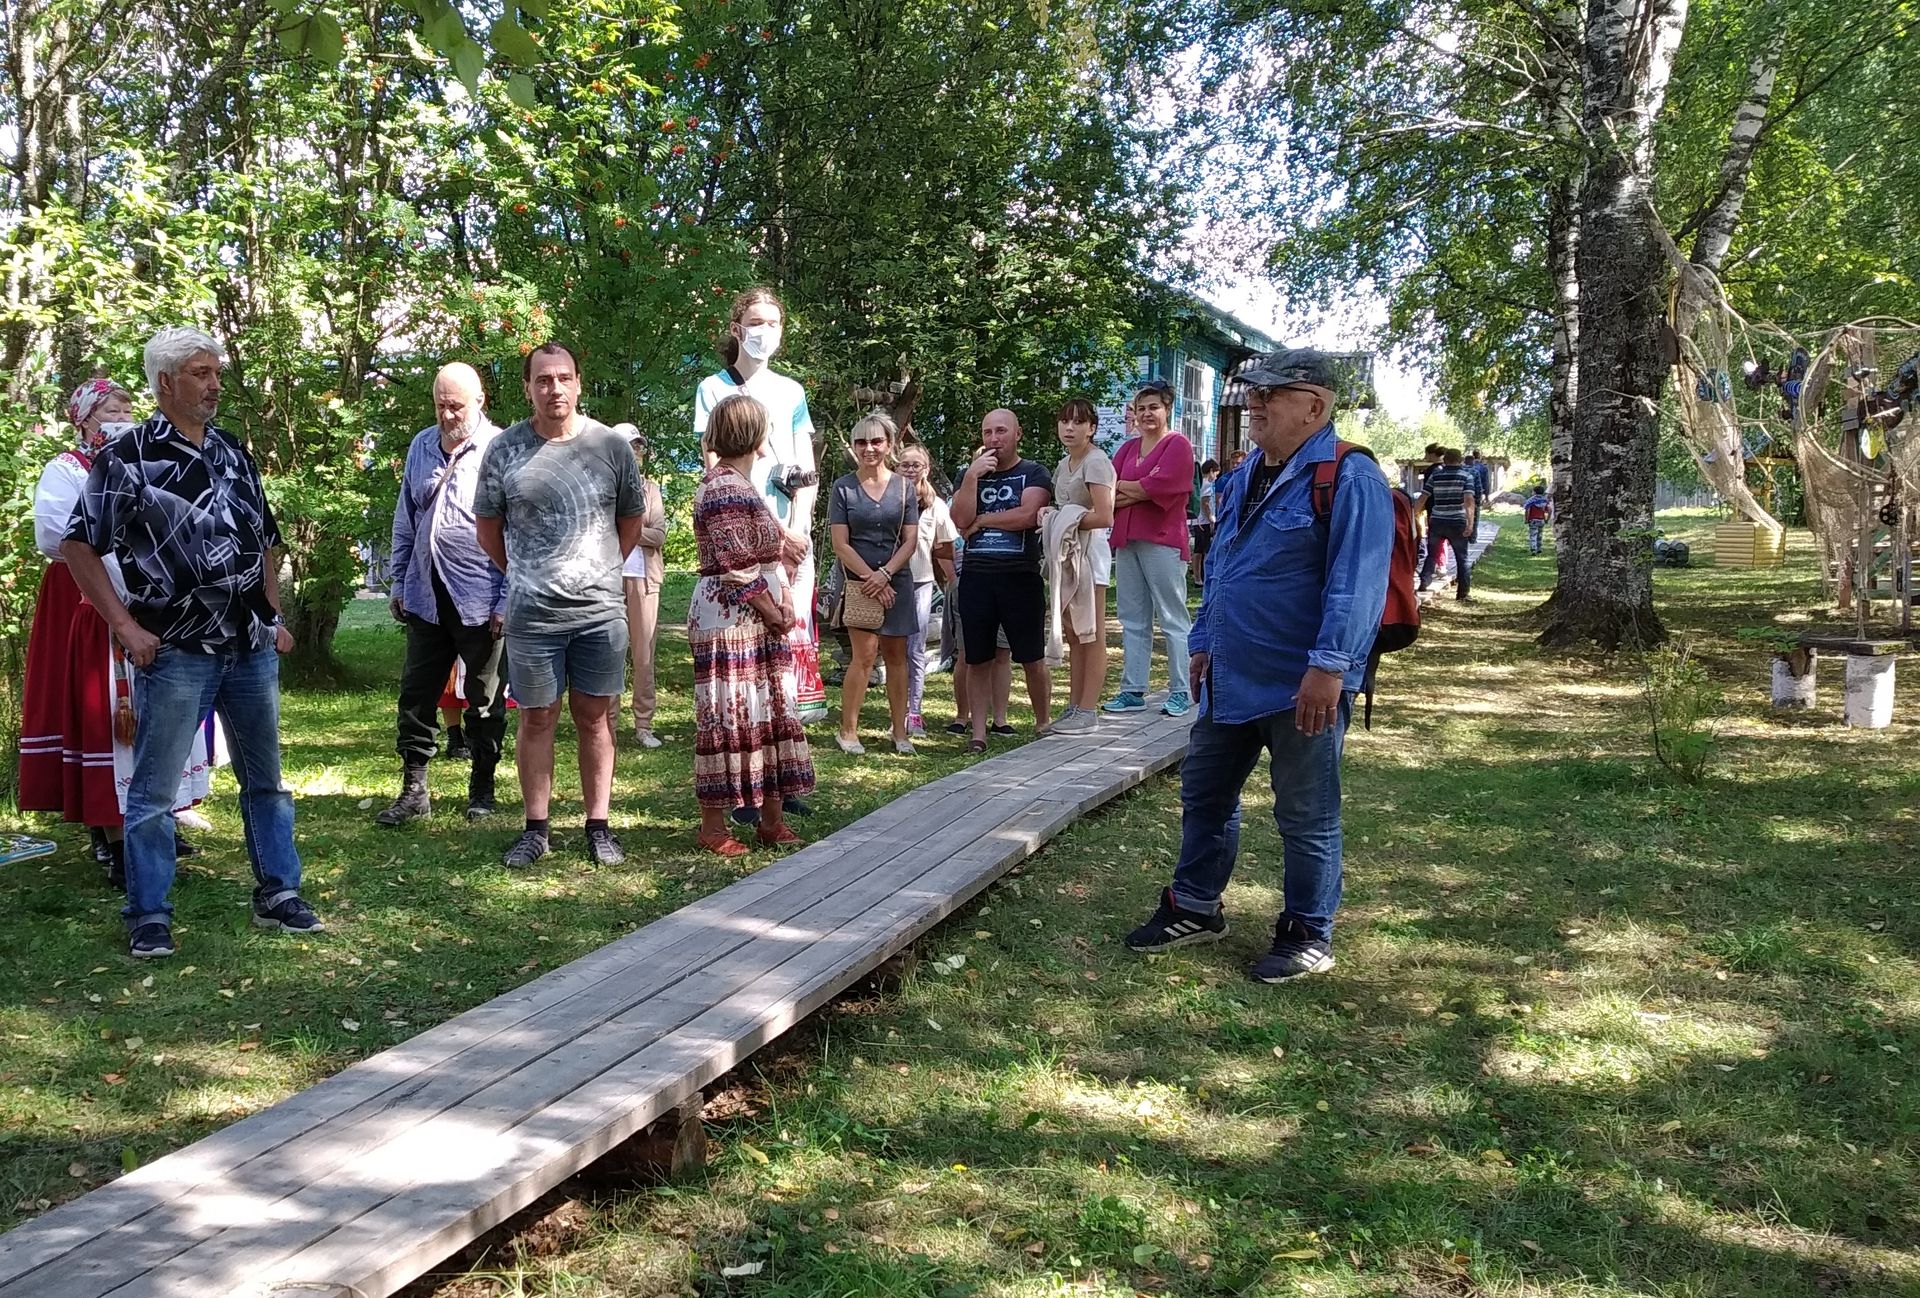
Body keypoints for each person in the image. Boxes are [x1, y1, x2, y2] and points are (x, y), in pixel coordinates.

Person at [1124, 348, 1392, 983]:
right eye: (1253, 394)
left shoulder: (1351, 478)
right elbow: (1221, 567)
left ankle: (1307, 931)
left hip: (1303, 683)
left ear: (1315, 405)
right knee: (1206, 793)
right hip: (1231, 674)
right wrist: (1204, 642)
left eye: (1272, 395)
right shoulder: (1246, 474)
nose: (1255, 405)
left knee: (1305, 811)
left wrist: (1329, 667)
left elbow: (1357, 583)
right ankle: (1194, 905)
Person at [63, 327, 322, 958]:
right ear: (165, 383)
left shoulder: (234, 452)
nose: (214, 384)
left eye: (216, 372)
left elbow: (266, 539)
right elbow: (78, 544)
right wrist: (124, 626)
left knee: (268, 779)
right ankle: (148, 912)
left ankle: (279, 892)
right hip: (176, 650)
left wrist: (273, 612)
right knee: (153, 792)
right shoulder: (129, 458)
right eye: (201, 373)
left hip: (250, 648)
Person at [20, 377, 217, 885]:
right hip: (92, 603)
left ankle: (157, 821)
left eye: (128, 404)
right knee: (109, 717)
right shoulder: (66, 470)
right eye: (110, 407)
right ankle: (113, 835)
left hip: (157, 604)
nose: (122, 413)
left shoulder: (146, 458)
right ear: (84, 418)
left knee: (163, 710)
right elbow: (59, 534)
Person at [474, 342, 645, 868]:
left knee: (596, 719)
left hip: (598, 612)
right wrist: (526, 574)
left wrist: (597, 572)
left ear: (578, 383)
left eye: (564, 378)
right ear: (527, 387)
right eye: (543, 380)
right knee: (537, 718)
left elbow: (631, 522)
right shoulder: (504, 450)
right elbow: (487, 530)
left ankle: (599, 825)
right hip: (532, 614)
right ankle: (536, 828)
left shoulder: (609, 447)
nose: (554, 389)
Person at [694, 287, 822, 823]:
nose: (763, 330)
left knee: (778, 674)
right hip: (739, 552)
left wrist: (796, 529)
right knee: (739, 683)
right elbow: (711, 462)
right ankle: (742, 792)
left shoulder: (791, 390)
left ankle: (777, 784)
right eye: (754, 320)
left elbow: (807, 469)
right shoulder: (713, 388)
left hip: (784, 543)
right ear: (736, 325)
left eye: (773, 321)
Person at [375, 362, 508, 827]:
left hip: (482, 595)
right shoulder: (421, 444)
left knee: (484, 696)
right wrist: (398, 578)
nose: (448, 415)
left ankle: (483, 790)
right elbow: (405, 517)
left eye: (456, 406)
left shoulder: (501, 448)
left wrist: (507, 599)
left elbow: (520, 530)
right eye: (440, 405)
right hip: (425, 592)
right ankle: (414, 791)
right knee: (416, 694)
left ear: (479, 401)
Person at [688, 393, 815, 854]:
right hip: (730, 618)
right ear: (752, 434)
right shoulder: (721, 487)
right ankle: (713, 829)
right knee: (730, 712)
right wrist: (774, 611)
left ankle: (771, 819)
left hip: (759, 615)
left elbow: (758, 554)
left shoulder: (741, 483)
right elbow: (736, 564)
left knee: (771, 708)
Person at [948, 408, 1054, 752]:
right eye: (988, 432)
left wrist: (983, 521)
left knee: (1031, 657)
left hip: (1020, 575)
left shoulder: (1034, 472)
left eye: (1001, 431)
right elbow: (960, 519)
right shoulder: (972, 474)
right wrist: (970, 479)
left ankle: (1042, 724)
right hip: (978, 576)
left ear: (1017, 433)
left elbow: (1027, 515)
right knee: (977, 658)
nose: (994, 439)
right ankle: (978, 733)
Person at [829, 412, 921, 755]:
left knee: (897, 656)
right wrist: (872, 578)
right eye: (861, 442)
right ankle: (848, 731)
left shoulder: (905, 487)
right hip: (859, 583)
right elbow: (841, 544)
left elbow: (910, 541)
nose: (869, 448)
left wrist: (886, 575)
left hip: (898, 581)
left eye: (876, 441)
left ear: (890, 444)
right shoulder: (843, 487)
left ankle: (900, 732)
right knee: (863, 656)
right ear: (853, 446)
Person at [1104, 379, 1196, 718]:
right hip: (1128, 540)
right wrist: (1137, 489)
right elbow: (1106, 490)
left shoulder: (1178, 445)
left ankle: (1181, 690)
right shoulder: (1127, 450)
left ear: (1167, 409)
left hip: (1162, 540)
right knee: (1132, 618)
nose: (1146, 414)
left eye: (1153, 407)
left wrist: (1129, 490)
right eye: (1140, 409)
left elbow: (1164, 485)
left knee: (1172, 617)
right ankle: (1132, 689)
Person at [1046, 397, 1115, 735]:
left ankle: (1089, 709)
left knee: (1092, 631)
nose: (1070, 428)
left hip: (1090, 553)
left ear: (1092, 428)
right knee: (1073, 631)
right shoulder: (1063, 464)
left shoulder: (1097, 462)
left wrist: (1067, 520)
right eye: (1064, 421)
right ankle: (1074, 706)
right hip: (1066, 553)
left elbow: (1104, 514)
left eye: (1078, 422)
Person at [614, 424, 670, 747]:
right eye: (628, 446)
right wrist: (637, 531)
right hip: (609, 578)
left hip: (645, 579)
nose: (634, 452)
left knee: (643, 654)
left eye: (637, 447)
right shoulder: (606, 486)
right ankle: (607, 721)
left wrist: (629, 531)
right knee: (609, 651)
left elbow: (659, 534)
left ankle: (643, 724)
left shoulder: (650, 490)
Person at [897, 443, 956, 739]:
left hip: (920, 582)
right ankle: (896, 710)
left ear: (926, 469)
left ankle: (914, 711)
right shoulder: (887, 498)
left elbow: (946, 548)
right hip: (889, 583)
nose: (909, 470)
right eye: (904, 465)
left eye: (915, 465)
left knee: (915, 649)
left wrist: (953, 583)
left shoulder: (936, 505)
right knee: (890, 649)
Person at [1417, 448, 1479, 600]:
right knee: (1462, 558)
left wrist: (1414, 515)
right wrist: (1470, 523)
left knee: (1432, 555)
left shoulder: (1435, 476)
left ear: (1444, 460)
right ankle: (1463, 593)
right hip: (1457, 521)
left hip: (1437, 520)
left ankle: (1424, 584)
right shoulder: (1466, 476)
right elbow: (1469, 501)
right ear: (1460, 461)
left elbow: (1423, 498)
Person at [1191, 458, 1220, 586]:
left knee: (1198, 550)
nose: (1215, 478)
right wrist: (1211, 519)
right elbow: (1205, 503)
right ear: (1211, 471)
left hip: (1197, 521)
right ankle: (1205, 576)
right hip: (1204, 522)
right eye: (1216, 474)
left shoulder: (1199, 483)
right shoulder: (1207, 484)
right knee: (1206, 550)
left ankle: (1197, 577)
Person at [1523, 482, 1553, 555]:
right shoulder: (1544, 500)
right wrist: (1547, 519)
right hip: (1541, 519)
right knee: (1540, 535)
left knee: (1533, 534)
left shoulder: (1531, 500)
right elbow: (1549, 510)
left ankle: (1533, 549)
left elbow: (1528, 509)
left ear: (1534, 492)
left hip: (1533, 520)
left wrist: (1526, 519)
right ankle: (1539, 549)